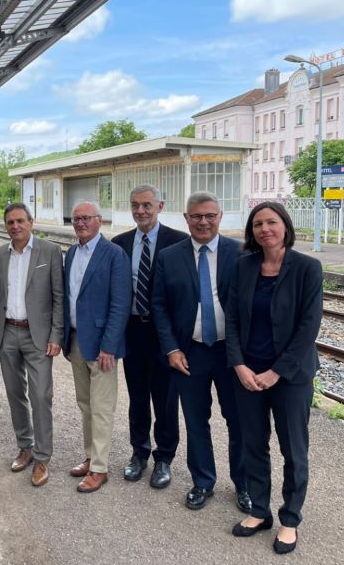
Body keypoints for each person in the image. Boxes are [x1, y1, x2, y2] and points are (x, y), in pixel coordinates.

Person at [226, 202, 322, 554]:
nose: (264, 229)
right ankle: (260, 510)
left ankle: (290, 518)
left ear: (285, 225)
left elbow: (308, 326)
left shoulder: (307, 268)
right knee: (253, 443)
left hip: (291, 376)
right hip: (248, 373)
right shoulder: (244, 267)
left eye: (271, 222)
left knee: (293, 449)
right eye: (257, 224)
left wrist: (276, 372)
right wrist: (238, 365)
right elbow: (232, 319)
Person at [151, 191, 250, 513]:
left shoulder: (242, 254)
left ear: (220, 217)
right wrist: (172, 348)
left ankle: (244, 484)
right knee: (196, 421)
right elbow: (159, 306)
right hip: (189, 352)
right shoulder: (169, 256)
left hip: (231, 354)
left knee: (238, 421)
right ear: (186, 218)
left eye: (210, 215)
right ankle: (202, 481)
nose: (203, 222)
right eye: (196, 216)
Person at [112, 184, 188, 488]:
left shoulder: (179, 242)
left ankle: (164, 458)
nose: (140, 211)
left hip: (165, 335)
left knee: (166, 400)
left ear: (160, 205)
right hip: (133, 331)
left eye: (146, 205)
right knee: (138, 397)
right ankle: (139, 453)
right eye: (135, 205)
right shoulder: (120, 243)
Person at [0, 203, 63, 487]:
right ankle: (26, 446)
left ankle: (43, 457)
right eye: (10, 222)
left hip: (38, 336)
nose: (15, 226)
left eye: (20, 221)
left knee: (41, 395)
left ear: (31, 222)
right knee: (15, 393)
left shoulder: (50, 251)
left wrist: (57, 336)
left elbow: (59, 297)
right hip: (8, 332)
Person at [63, 201, 132, 493]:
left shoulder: (114, 254)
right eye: (76, 218)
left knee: (102, 408)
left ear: (99, 221)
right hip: (77, 339)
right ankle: (90, 457)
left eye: (86, 218)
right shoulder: (71, 253)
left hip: (103, 346)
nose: (80, 223)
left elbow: (120, 304)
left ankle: (100, 468)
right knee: (85, 404)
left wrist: (110, 346)